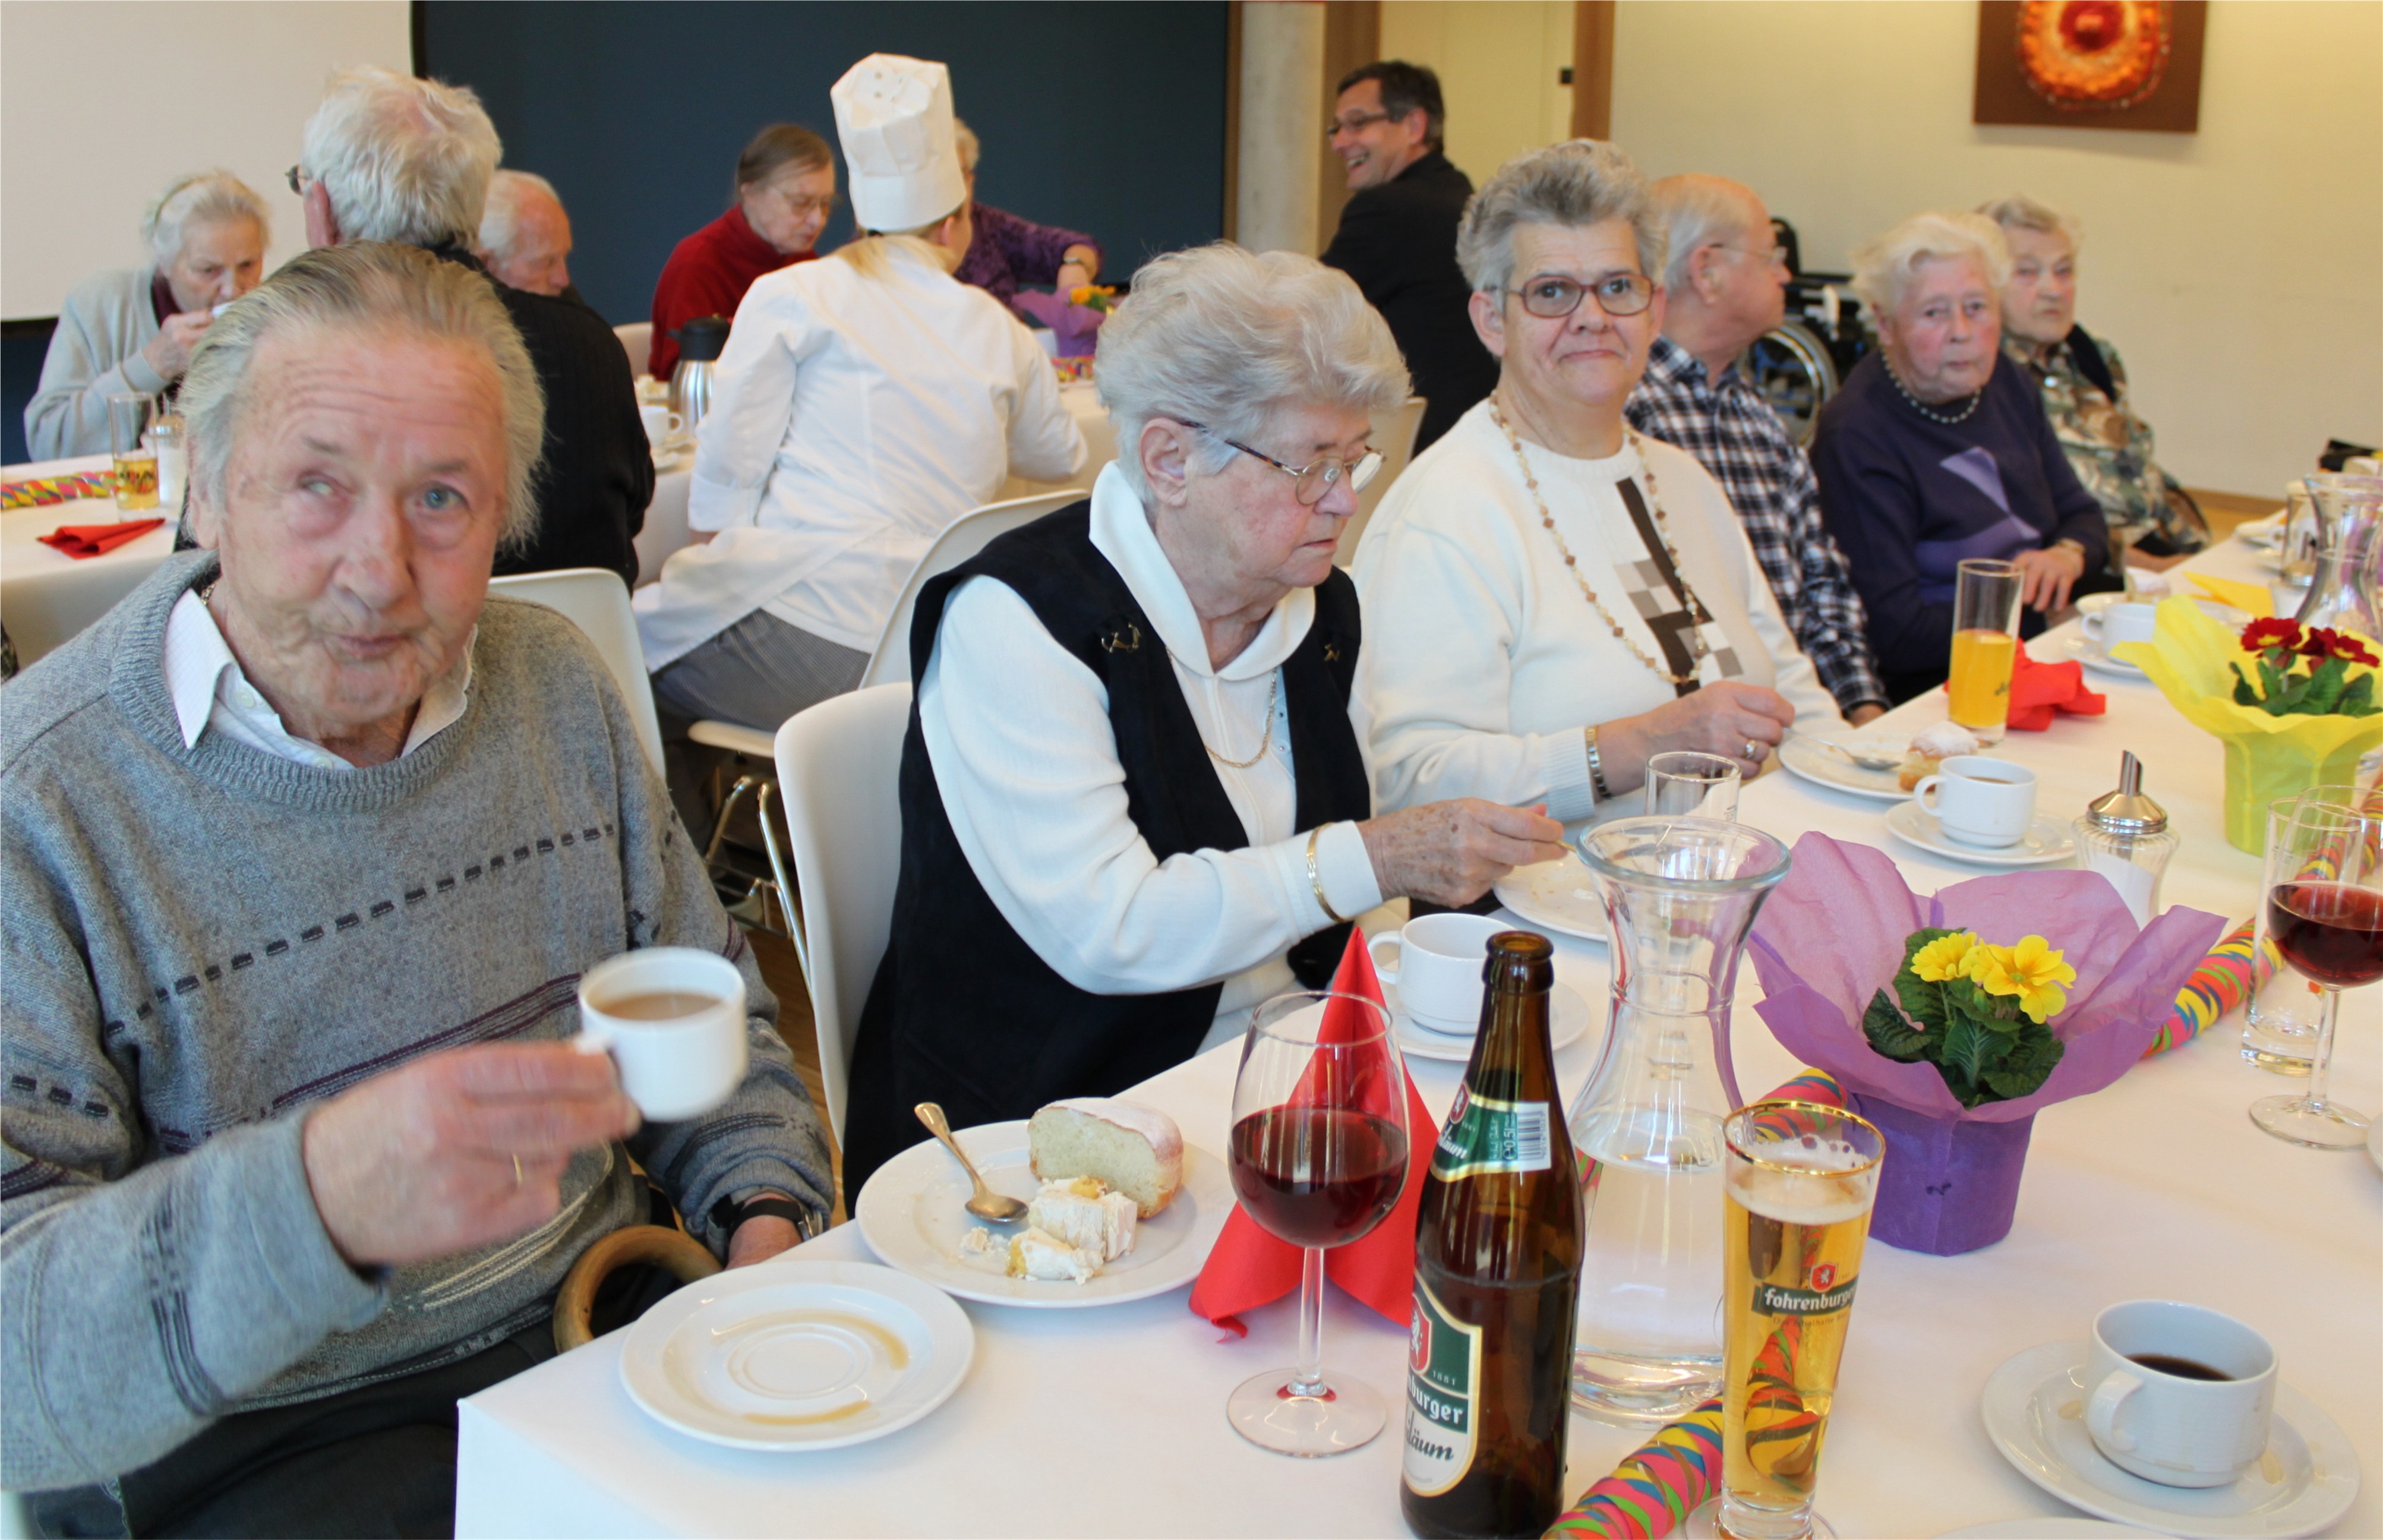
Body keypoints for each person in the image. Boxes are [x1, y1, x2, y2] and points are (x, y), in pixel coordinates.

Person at [0, 242, 831, 1536]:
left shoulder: (554, 689)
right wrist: (315, 1207)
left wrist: (767, 1219)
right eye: (316, 486)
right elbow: (19, 1369)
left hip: (595, 1347)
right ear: (205, 490)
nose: (380, 571)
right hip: (256, 1448)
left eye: (441, 498)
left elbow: (712, 1014)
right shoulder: (41, 799)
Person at [839, 243, 1568, 1191]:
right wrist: (1378, 856)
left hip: (1270, 1082)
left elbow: (1358, 870)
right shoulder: (1021, 619)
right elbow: (1114, 929)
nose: (1345, 500)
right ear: (1170, 459)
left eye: (1354, 458)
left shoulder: (1320, 611)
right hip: (1040, 1140)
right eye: (1310, 465)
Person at [1355, 141, 1845, 831]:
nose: (1592, 317)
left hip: (1741, 861)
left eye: (1617, 287)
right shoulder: (1447, 509)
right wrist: (1637, 746)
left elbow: (1792, 689)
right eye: (1552, 292)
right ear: (1492, 321)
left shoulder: (1686, 482)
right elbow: (1410, 781)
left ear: (1654, 310)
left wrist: (1857, 790)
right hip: (1553, 892)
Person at [635, 55, 1084, 734]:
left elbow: (727, 475)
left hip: (814, 629)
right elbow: (1060, 456)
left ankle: (719, 806)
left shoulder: (794, 294)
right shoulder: (996, 325)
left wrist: (714, 571)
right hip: (940, 648)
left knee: (612, 663)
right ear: (950, 226)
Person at [295, 66, 652, 590]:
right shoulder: (589, 343)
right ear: (474, 204)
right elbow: (632, 513)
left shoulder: (289, 356)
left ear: (322, 213)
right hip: (587, 636)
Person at [1809, 211, 2109, 703]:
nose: (1962, 331)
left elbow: (2083, 515)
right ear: (1885, 324)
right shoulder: (1859, 435)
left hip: (2043, 648)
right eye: (1934, 313)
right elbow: (1897, 636)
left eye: (1976, 307)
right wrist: (2042, 620)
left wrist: (2066, 554)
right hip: (1945, 686)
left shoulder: (2006, 381)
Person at [1627, 174, 1889, 724]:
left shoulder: (1759, 419)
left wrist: (1862, 711)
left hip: (1803, 716)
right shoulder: (1627, 416)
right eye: (1771, 256)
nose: (1785, 275)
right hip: (1696, 725)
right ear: (1706, 271)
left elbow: (1822, 584)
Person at [1979, 193, 2209, 572]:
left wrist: (2200, 554)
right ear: (1986, 281)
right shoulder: (1984, 376)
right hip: (2086, 569)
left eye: (2064, 271)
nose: (2054, 289)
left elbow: (2141, 468)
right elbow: (2023, 523)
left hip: (2159, 550)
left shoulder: (2091, 353)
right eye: (2028, 272)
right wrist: (2152, 569)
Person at [24, 171, 268, 459]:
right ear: (165, 263)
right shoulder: (102, 305)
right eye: (208, 270)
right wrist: (152, 365)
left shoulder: (275, 311)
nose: (232, 289)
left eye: (248, 265)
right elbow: (49, 444)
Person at [1318, 61, 1496, 452]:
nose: (1339, 143)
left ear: (1414, 126)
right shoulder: (1465, 199)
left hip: (1409, 453)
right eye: (1337, 128)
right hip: (1476, 442)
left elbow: (1307, 314)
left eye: (1357, 123)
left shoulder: (1389, 210)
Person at [648, 124, 833, 380]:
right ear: (751, 194)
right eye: (801, 203)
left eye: (826, 204)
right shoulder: (698, 263)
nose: (818, 220)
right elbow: (684, 378)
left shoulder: (800, 257)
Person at [949, 118, 1101, 313]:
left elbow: (1078, 246)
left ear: (970, 180)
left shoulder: (989, 225)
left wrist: (1074, 268)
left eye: (958, 175)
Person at [476, 168, 575, 301]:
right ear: (483, 267)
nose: (563, 281)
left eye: (564, 257)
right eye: (545, 263)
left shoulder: (568, 305)